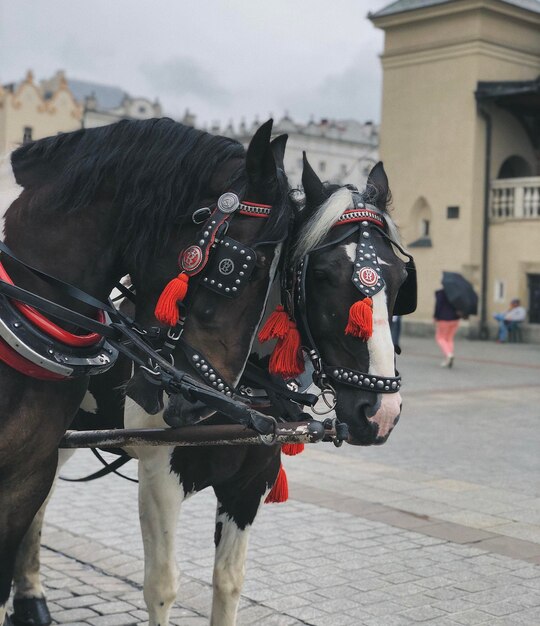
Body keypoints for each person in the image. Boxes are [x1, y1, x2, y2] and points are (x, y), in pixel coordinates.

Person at [434, 289, 460, 367]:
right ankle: (449, 357)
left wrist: (435, 316)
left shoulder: (442, 293)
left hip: (444, 319)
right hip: (455, 319)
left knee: (440, 338)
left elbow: (438, 305)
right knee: (449, 339)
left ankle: (449, 355)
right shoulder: (457, 294)